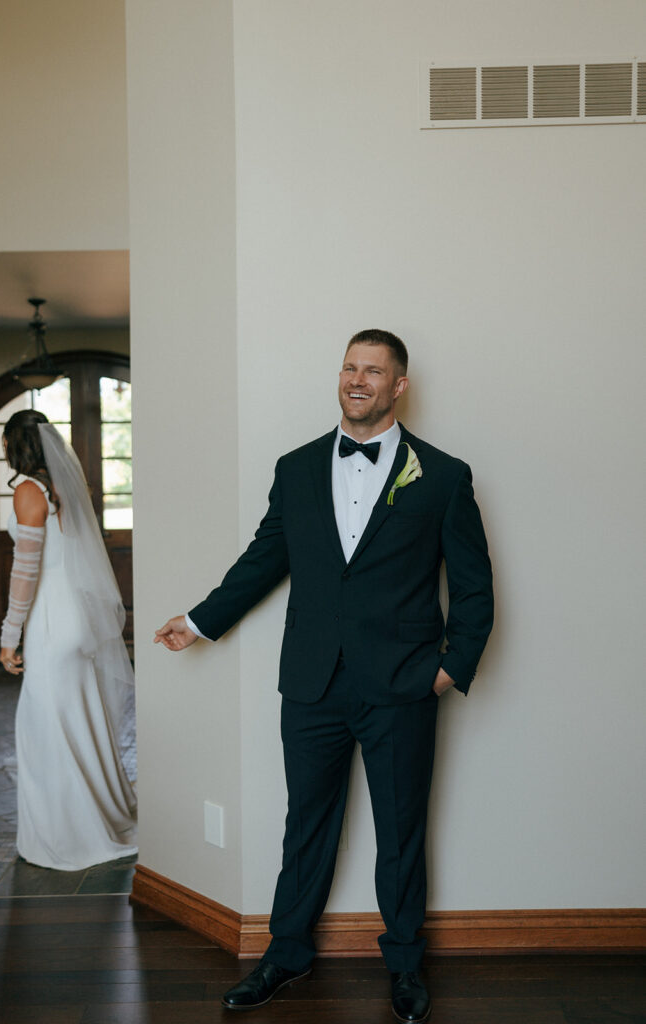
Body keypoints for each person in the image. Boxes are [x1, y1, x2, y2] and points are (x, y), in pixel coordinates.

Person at [155, 329, 493, 1023]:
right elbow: (263, 559)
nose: (357, 380)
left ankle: (403, 963)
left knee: (401, 830)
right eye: (348, 368)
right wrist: (197, 620)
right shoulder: (297, 466)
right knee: (305, 822)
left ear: (398, 386)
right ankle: (284, 955)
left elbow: (475, 587)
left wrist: (448, 669)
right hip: (310, 683)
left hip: (402, 683)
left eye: (373, 371)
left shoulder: (444, 476)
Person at [0, 409, 137, 870]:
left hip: (51, 624)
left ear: (13, 447)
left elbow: (25, 571)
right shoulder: (62, 489)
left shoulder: (27, 491)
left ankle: (69, 834)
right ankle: (103, 811)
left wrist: (8, 634)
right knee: (80, 718)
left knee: (45, 728)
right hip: (77, 619)